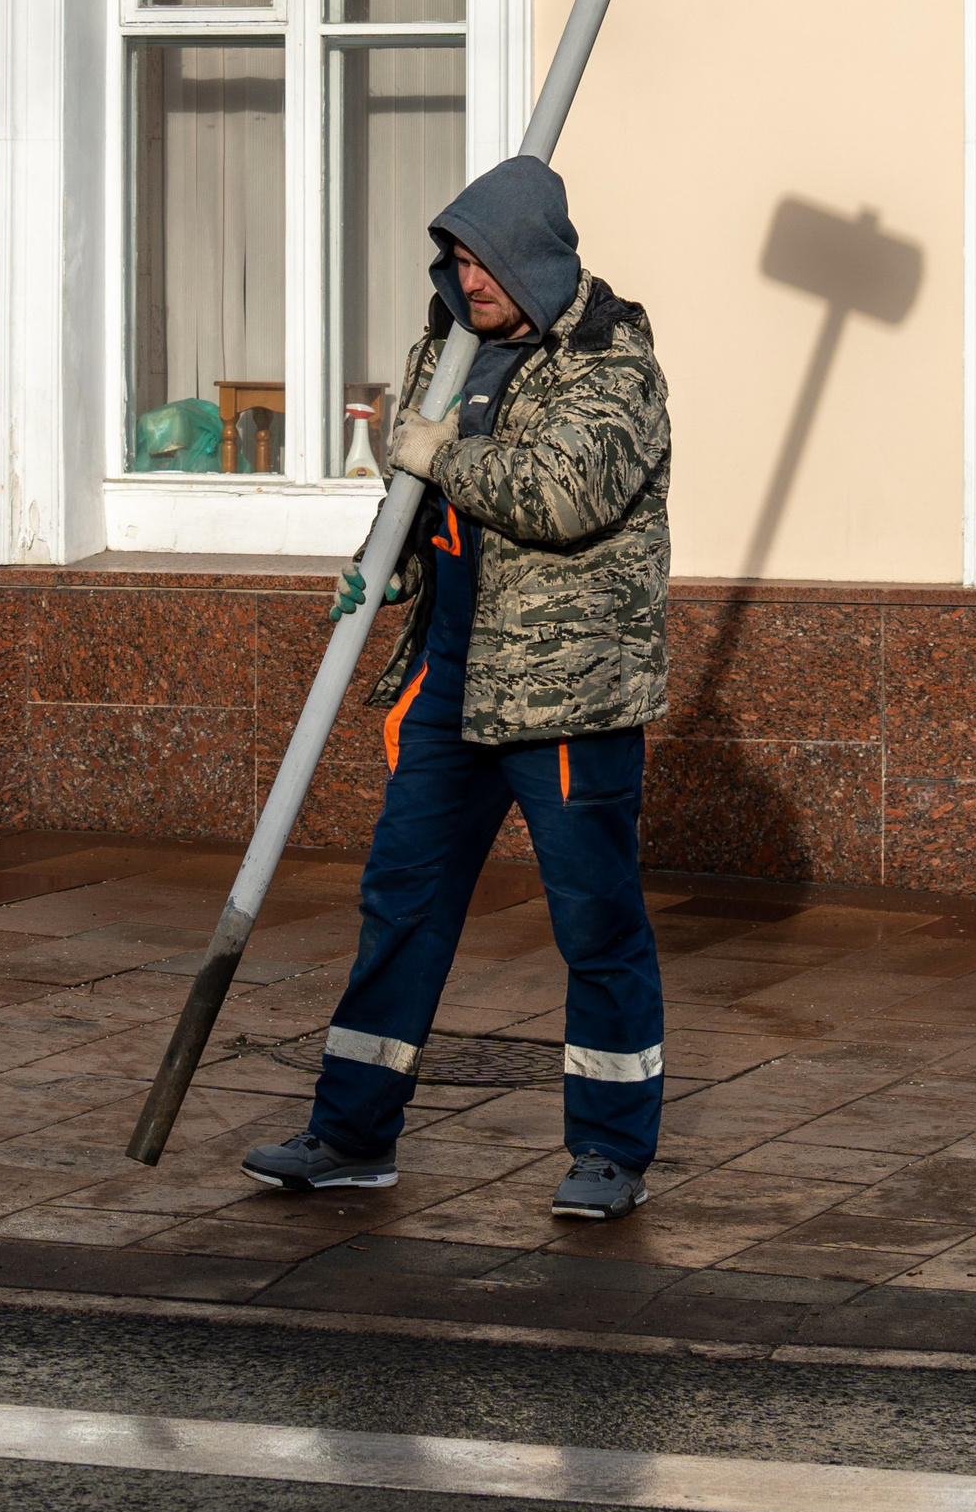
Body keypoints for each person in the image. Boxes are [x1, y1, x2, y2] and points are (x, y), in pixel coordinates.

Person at [240, 155, 672, 1222]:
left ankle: (611, 1151)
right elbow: (423, 504)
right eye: (456, 258)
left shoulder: (612, 363)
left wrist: (439, 454)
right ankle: (350, 1134)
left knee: (595, 921)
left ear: (535, 255)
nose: (466, 278)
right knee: (401, 905)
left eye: (483, 260)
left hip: (567, 696)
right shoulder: (447, 350)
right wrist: (385, 562)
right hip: (448, 680)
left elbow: (561, 494)